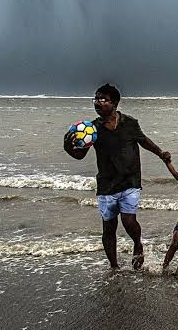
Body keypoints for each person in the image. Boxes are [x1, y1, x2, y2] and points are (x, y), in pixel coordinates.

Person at [63, 83, 169, 270]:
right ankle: (114, 267)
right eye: (96, 99)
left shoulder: (130, 123)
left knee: (129, 221)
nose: (97, 103)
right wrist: (68, 148)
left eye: (103, 99)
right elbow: (80, 155)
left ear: (115, 103)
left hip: (130, 181)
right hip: (107, 184)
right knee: (109, 227)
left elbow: (144, 141)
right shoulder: (92, 129)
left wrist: (161, 153)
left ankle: (137, 243)